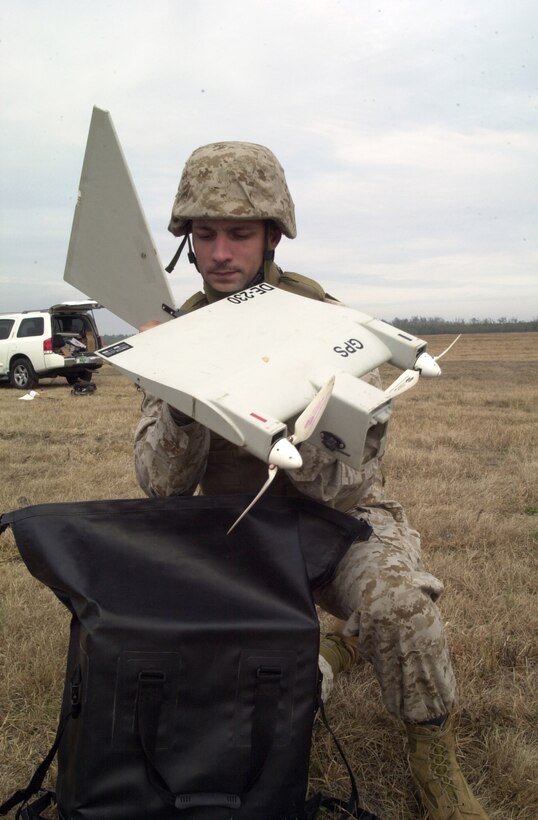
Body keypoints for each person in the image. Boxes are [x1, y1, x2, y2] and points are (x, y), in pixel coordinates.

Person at [134, 142, 488, 820]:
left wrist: (297, 414)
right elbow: (160, 487)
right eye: (203, 235)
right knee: (229, 682)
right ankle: (325, 652)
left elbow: (353, 485)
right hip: (237, 525)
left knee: (399, 607)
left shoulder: (328, 325)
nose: (219, 253)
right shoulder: (175, 339)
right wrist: (184, 398)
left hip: (335, 518)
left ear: (272, 236)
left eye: (238, 234)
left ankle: (433, 760)